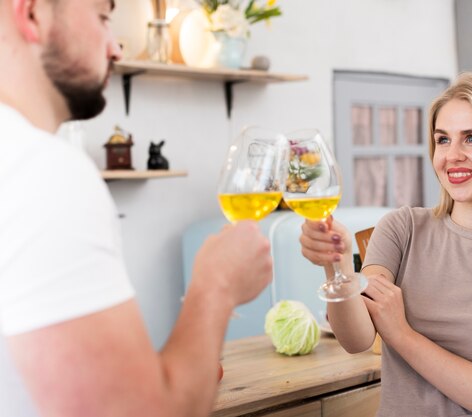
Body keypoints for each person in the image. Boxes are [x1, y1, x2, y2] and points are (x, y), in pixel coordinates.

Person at [0, 1, 272, 416]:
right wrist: (216, 287)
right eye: (103, 18)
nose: (115, 48)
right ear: (33, 14)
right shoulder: (42, 170)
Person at [300, 73, 472, 417]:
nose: (452, 155)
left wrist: (402, 335)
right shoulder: (402, 229)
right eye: (442, 140)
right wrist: (339, 265)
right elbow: (356, 339)